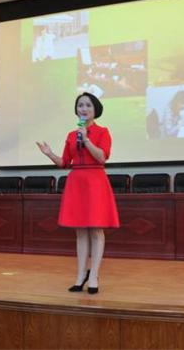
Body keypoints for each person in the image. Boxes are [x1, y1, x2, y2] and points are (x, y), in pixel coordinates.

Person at [36, 92, 119, 294]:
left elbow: (102, 158)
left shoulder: (102, 132)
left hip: (96, 182)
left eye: (88, 105)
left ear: (95, 109)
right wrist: (49, 154)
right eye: (80, 105)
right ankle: (80, 275)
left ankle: (94, 276)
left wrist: (87, 140)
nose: (83, 108)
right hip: (77, 182)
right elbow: (64, 163)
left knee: (96, 230)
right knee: (80, 231)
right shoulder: (71, 135)